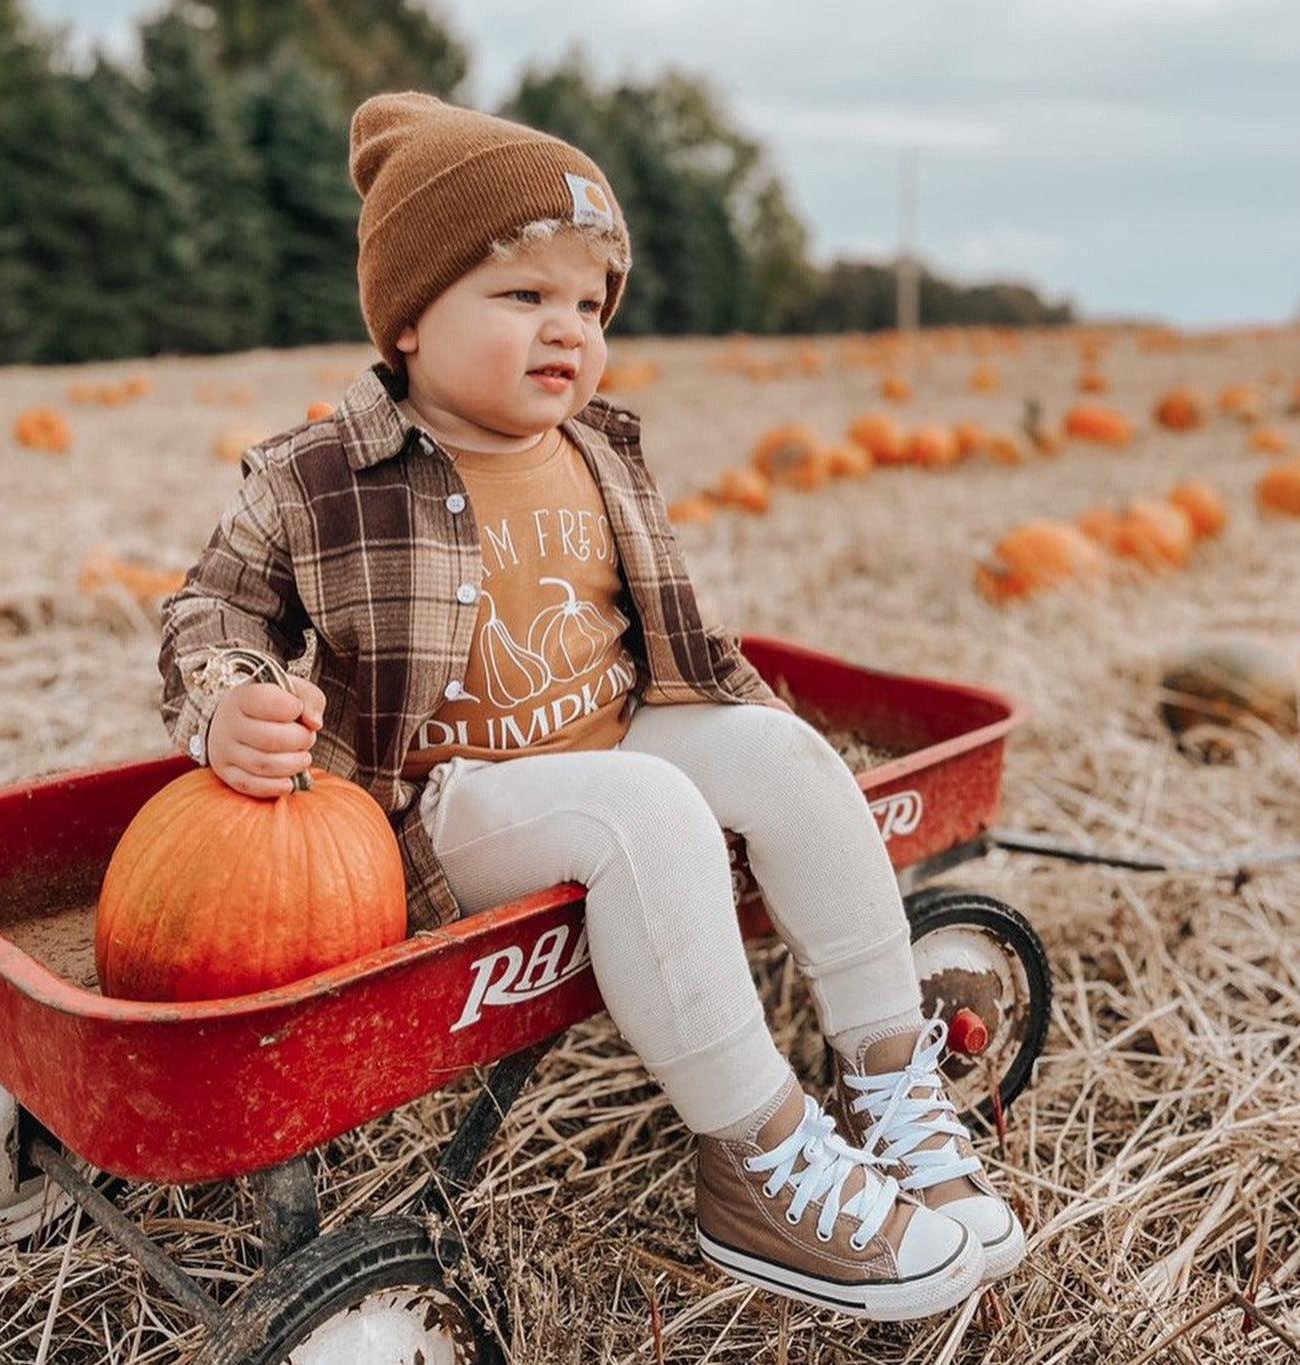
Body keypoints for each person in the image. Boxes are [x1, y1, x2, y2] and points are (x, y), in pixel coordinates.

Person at [158, 92, 1025, 1322]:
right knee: (649, 810)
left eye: (588, 301)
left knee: (781, 756)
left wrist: (747, 727)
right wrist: (231, 699)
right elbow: (210, 613)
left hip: (610, 727)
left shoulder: (602, 451)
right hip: (445, 800)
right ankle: (754, 1157)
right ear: (407, 318)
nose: (565, 329)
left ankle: (891, 1081)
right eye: (521, 297)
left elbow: (671, 647)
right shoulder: (320, 478)